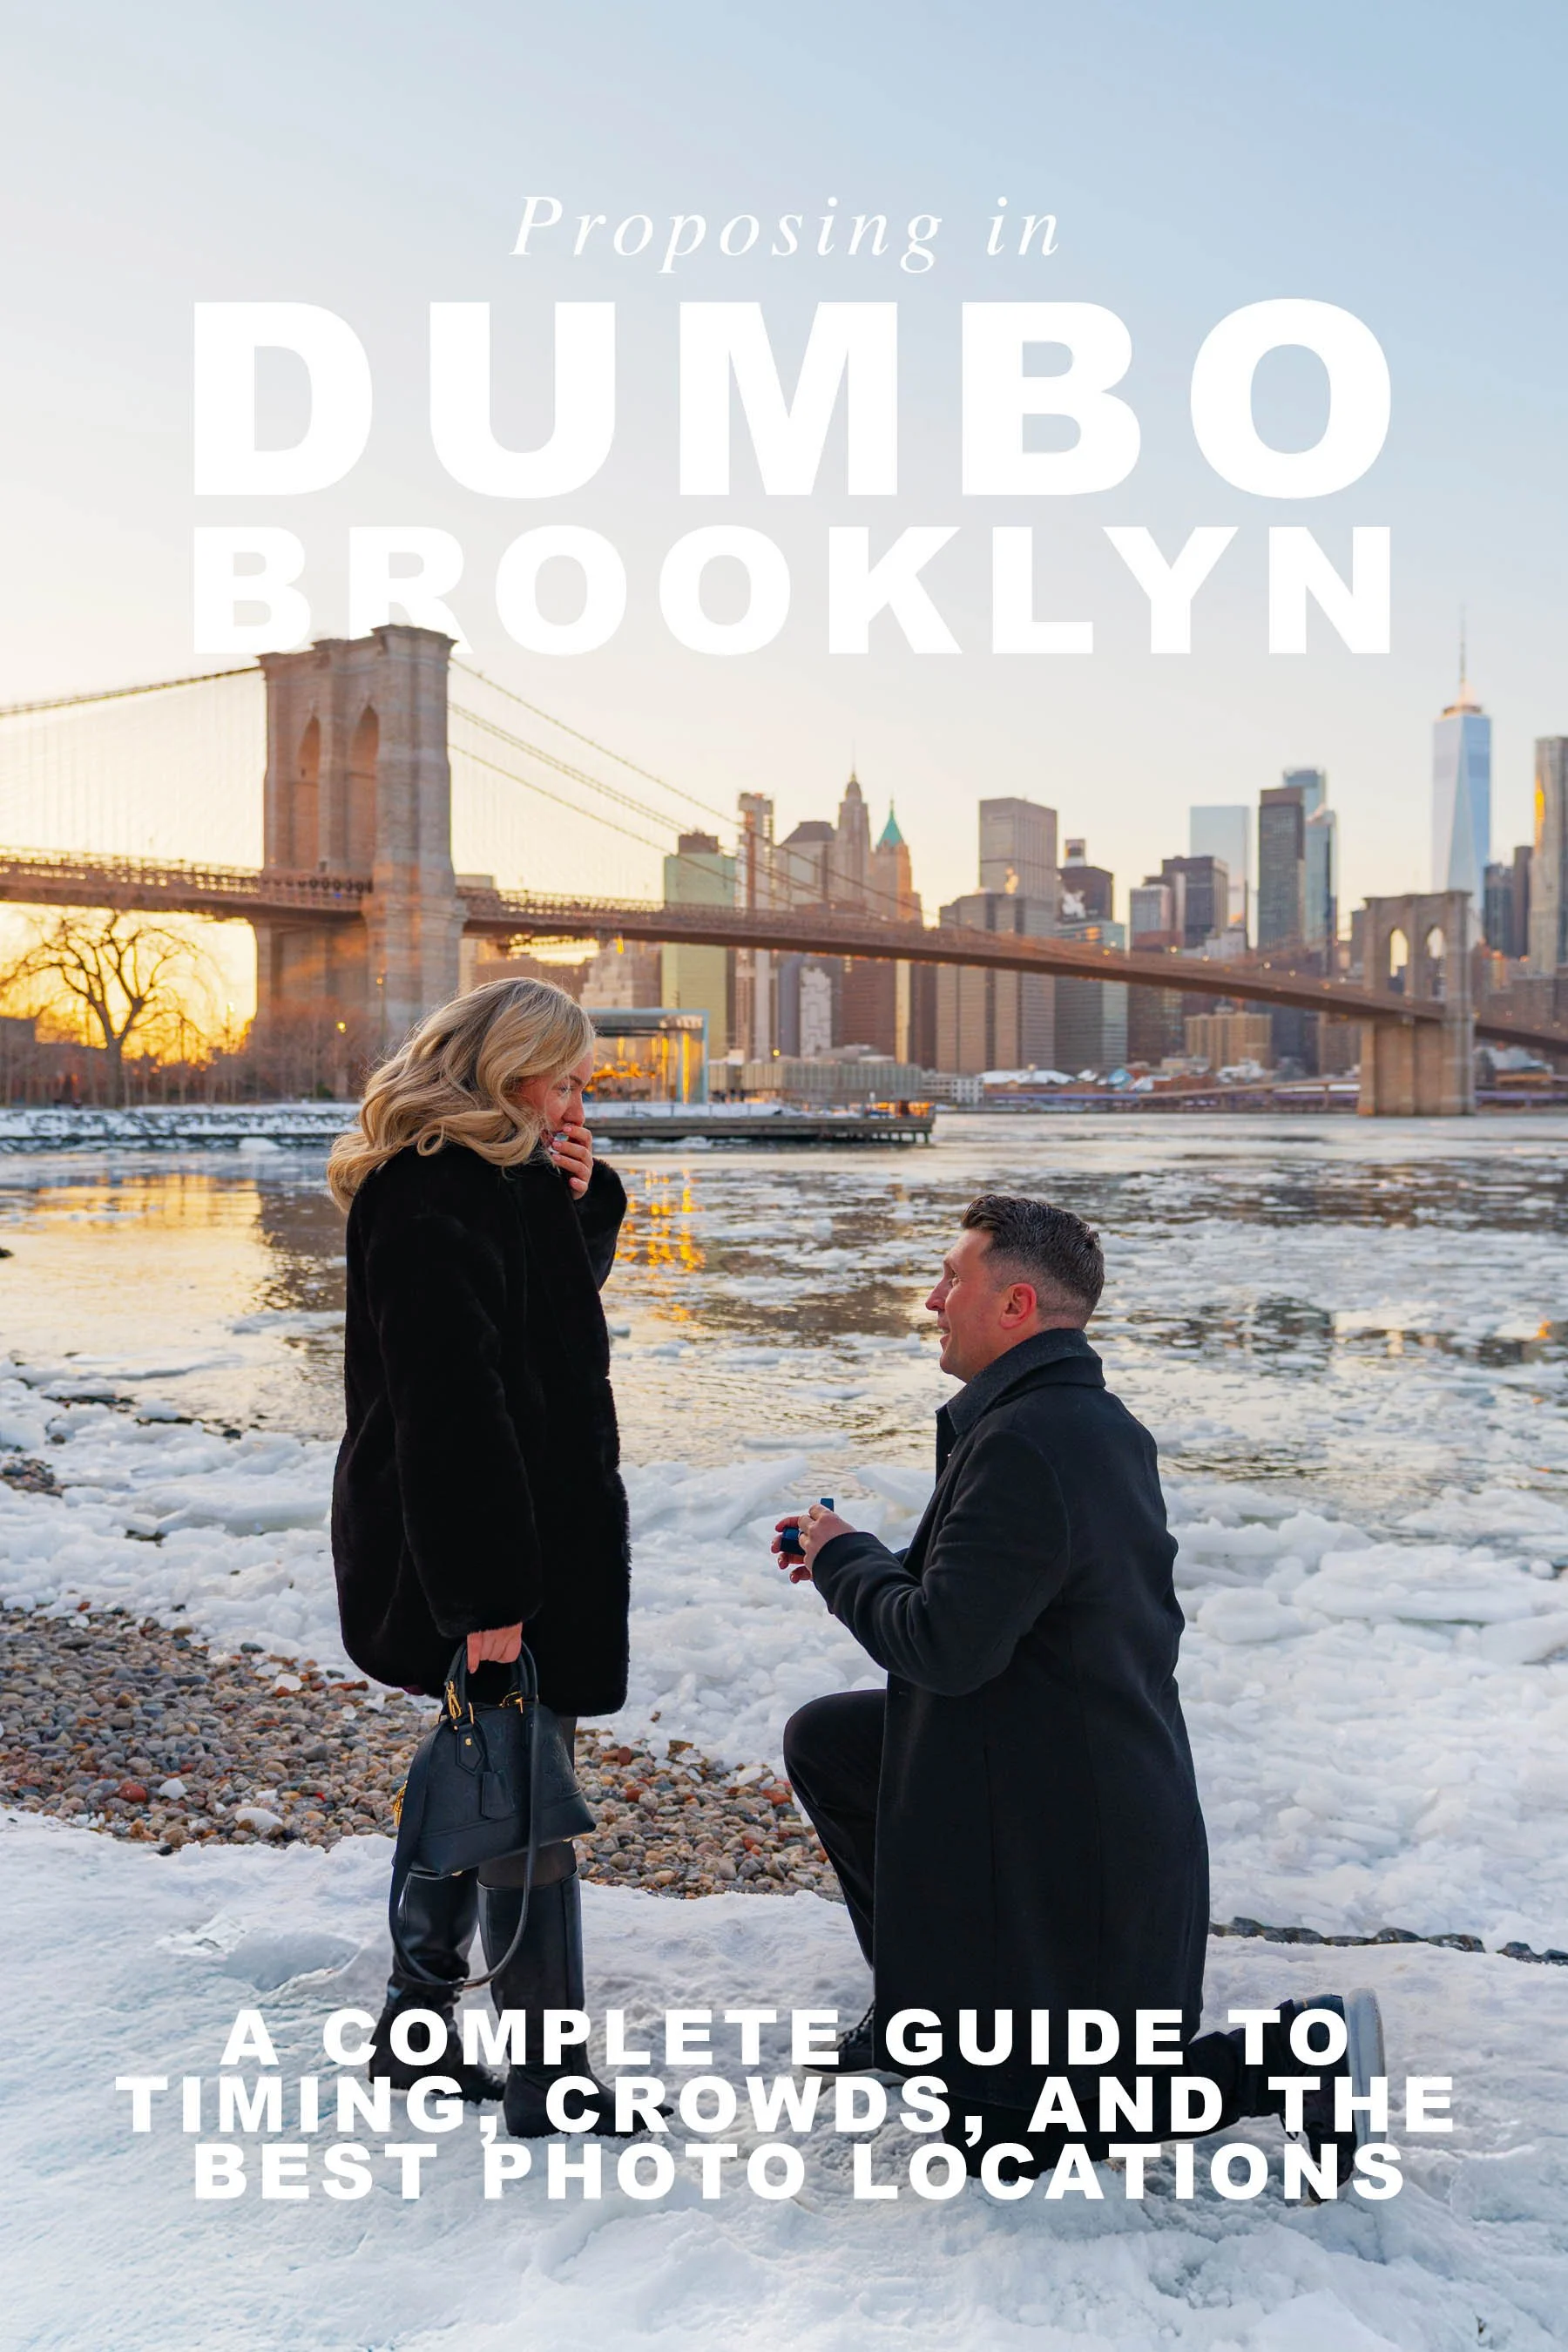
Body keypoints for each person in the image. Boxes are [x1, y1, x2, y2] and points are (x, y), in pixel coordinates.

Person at [778, 1193, 1384, 2186]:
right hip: (1056, 1784)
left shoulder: (1025, 1441)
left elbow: (941, 1647)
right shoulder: (1073, 1422)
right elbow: (991, 1606)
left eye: (952, 1280)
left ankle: (1302, 2053)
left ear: (1016, 1305)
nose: (932, 1301)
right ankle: (918, 2012)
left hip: (1077, 1857)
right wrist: (857, 1559)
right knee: (834, 1741)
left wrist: (849, 1562)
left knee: (1013, 2149)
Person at [328, 976, 639, 2139]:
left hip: (516, 1525)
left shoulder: (495, 1184)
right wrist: (490, 1597)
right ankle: (547, 2078)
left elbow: (545, 1325)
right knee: (524, 1797)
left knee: (478, 1758)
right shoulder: (427, 1197)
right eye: (564, 1080)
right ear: (511, 1072)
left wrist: (578, 1201)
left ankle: (415, 2031)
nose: (575, 1100)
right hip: (480, 1536)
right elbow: (448, 1408)